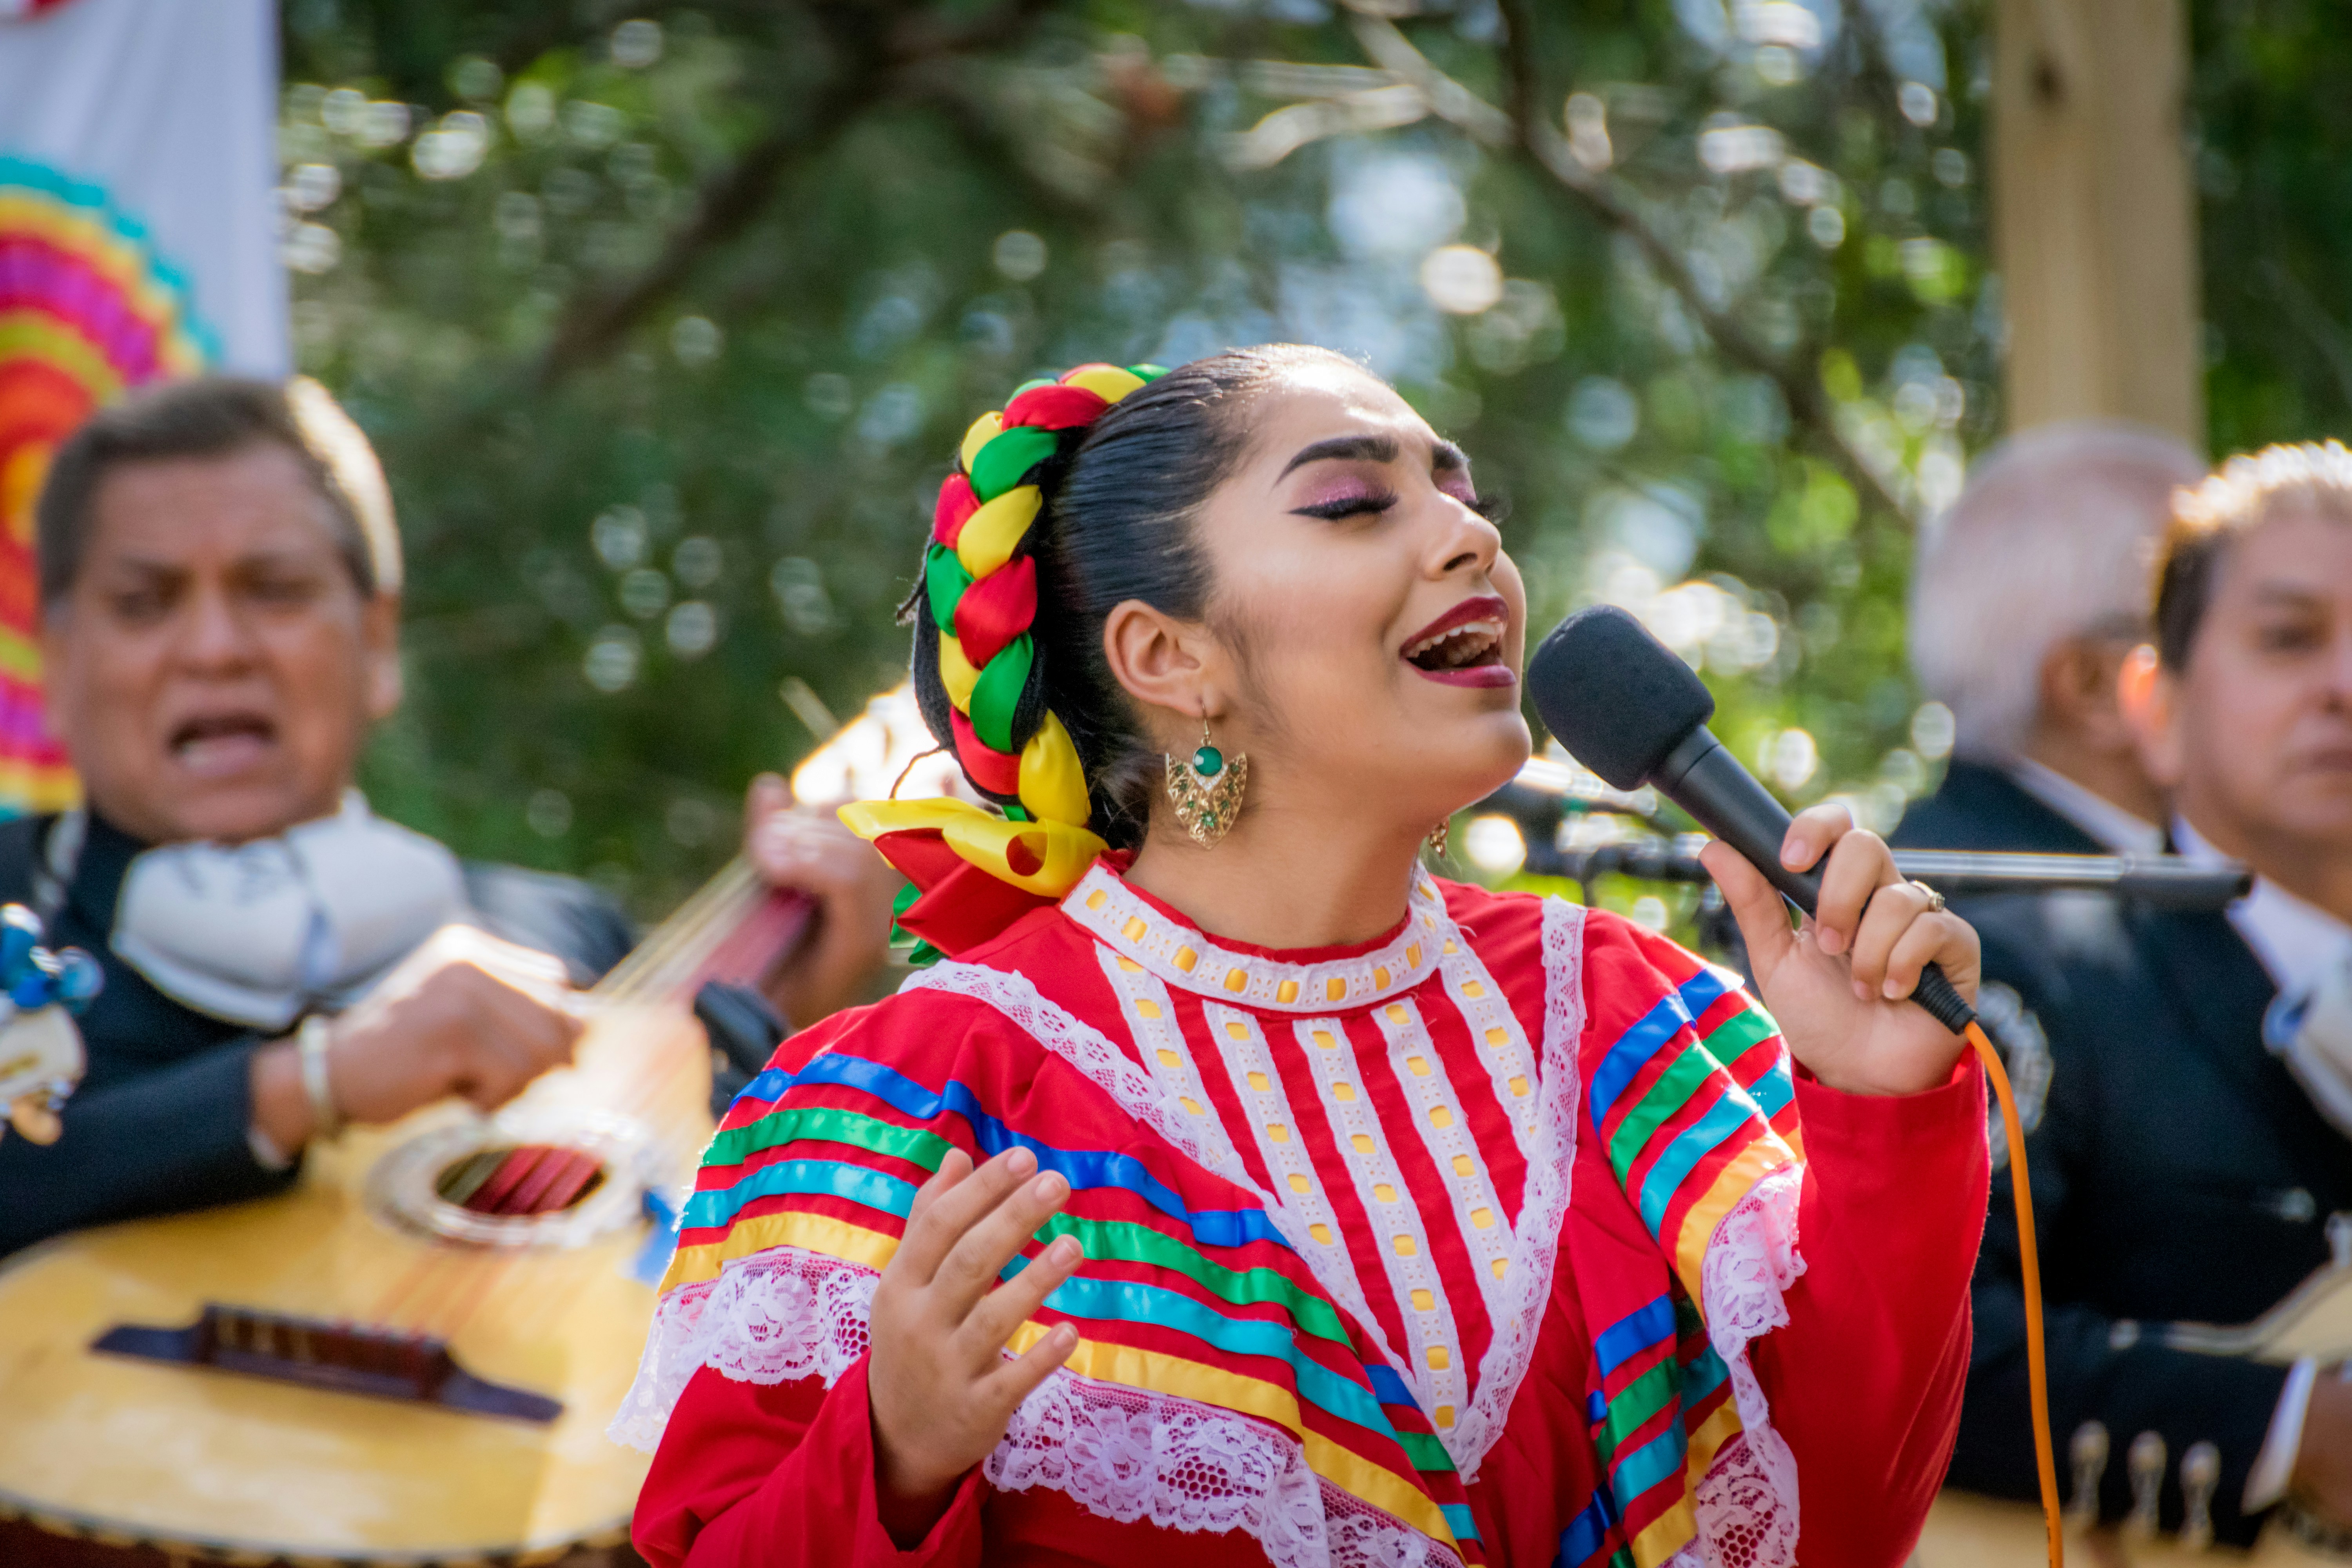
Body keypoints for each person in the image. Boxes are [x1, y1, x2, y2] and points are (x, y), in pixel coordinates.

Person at [619, 347, 1992, 1568]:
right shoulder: (916, 1093)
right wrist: (896, 1454)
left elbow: (1843, 1527)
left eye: (1468, 496)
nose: (1471, 540)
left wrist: (1880, 1106)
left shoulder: (1629, 1018)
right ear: (1168, 656)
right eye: (1355, 502)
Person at [0, 376, 895, 1255]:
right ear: (60, 660)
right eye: (145, 603)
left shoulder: (564, 939)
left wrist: (791, 1048)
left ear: (379, 643)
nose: (215, 648)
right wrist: (304, 1085)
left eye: (274, 589)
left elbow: (676, 1285)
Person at [1949, 442, 2352, 1539]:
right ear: (2154, 704)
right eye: (2289, 638)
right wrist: (2290, 1431)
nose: (2346, 685)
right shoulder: (2029, 974)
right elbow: (1917, 1345)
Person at [1896, 421, 2203, 858]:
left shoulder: (1926, 876)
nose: (2335, 682)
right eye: (2281, 637)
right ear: (2094, 685)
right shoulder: (2002, 918)